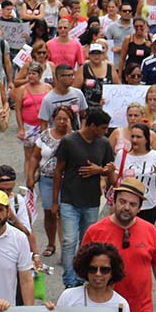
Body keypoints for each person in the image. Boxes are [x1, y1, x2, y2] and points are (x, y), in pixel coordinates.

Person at [82, 177, 156, 312]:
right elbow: (82, 269)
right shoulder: (95, 231)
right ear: (114, 201)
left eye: (132, 204)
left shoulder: (150, 231)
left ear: (139, 208)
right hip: (105, 310)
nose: (126, 207)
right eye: (122, 202)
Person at [52, 109, 115, 287]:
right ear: (92, 126)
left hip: (92, 201)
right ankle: (69, 280)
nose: (105, 132)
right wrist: (55, 201)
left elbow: (110, 171)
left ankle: (82, 276)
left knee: (87, 243)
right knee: (69, 241)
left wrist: (100, 170)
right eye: (103, 128)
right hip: (69, 199)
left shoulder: (104, 144)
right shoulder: (69, 141)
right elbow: (58, 171)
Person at [26, 105, 72, 258]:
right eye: (59, 118)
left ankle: (65, 248)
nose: (62, 122)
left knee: (63, 213)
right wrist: (30, 176)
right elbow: (35, 157)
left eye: (65, 119)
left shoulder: (74, 138)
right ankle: (51, 244)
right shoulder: (45, 135)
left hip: (67, 181)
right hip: (46, 179)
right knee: (49, 212)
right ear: (53, 119)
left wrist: (70, 133)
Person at [56, 243, 132, 312]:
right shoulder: (68, 297)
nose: (98, 274)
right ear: (85, 270)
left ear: (112, 273)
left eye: (104, 270)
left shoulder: (121, 304)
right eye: (93, 269)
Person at [114, 123, 156, 226]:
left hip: (148, 206)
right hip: (126, 207)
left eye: (138, 137)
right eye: (132, 136)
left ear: (146, 139)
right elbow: (114, 181)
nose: (134, 140)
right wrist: (108, 172)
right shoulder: (122, 155)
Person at [37, 64, 89, 131]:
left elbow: (84, 115)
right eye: (69, 75)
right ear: (60, 77)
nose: (73, 78)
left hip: (74, 134)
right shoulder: (48, 100)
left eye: (73, 75)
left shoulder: (78, 93)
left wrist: (81, 131)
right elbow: (44, 125)